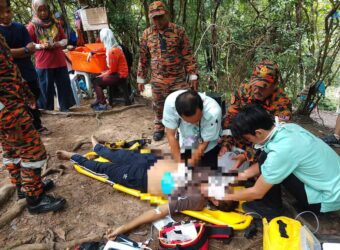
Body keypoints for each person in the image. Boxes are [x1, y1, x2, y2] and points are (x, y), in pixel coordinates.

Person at [56, 136, 238, 238]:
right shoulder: (212, 176)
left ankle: (73, 156)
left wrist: (125, 227)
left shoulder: (195, 200)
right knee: (118, 154)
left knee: (102, 168)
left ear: (214, 200)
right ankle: (97, 148)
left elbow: (160, 211)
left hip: (142, 178)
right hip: (152, 162)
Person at [222, 104, 340, 219]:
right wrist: (238, 176)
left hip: (327, 200)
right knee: (266, 157)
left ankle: (270, 208)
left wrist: (224, 196)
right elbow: (263, 162)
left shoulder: (281, 151)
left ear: (258, 132)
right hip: (336, 189)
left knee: (270, 165)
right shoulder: (288, 128)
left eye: (248, 138)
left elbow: (257, 192)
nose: (249, 143)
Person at [0, 0, 66, 214]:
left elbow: (8, 68)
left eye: (6, 9)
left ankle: (23, 187)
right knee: (31, 148)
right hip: (6, 107)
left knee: (12, 147)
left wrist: (25, 93)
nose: (4, 15)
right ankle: (35, 199)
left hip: (13, 99)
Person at [137, 1, 198, 141]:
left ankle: (181, 128)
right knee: (159, 104)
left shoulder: (179, 31)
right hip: (158, 78)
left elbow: (188, 55)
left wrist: (193, 76)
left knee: (183, 103)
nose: (157, 21)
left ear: (167, 14)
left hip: (178, 78)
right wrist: (141, 79)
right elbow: (143, 58)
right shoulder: (147, 34)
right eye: (154, 18)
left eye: (160, 17)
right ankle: (160, 126)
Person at [220, 59, 292, 167]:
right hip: (240, 140)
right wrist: (226, 143)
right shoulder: (243, 91)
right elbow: (230, 119)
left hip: (263, 147)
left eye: (263, 87)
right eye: (255, 85)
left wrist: (247, 156)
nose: (257, 90)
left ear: (275, 85)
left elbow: (276, 137)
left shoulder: (282, 103)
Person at [0, 2, 50, 135]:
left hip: (27, 68)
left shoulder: (20, 27)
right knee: (18, 99)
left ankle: (37, 125)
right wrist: (24, 50)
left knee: (34, 93)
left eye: (9, 11)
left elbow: (31, 47)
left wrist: (21, 51)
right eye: (4, 12)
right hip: (10, 73)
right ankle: (28, 128)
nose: (6, 14)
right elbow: (6, 53)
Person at [27, 0, 75, 112]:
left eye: (45, 10)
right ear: (35, 10)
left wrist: (57, 43)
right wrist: (41, 46)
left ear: (48, 9)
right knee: (45, 88)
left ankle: (65, 107)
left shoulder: (56, 23)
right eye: (40, 10)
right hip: (44, 63)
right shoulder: (32, 26)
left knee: (63, 85)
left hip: (59, 60)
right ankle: (47, 110)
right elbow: (29, 44)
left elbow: (65, 39)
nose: (43, 13)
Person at [163, 89, 222, 169]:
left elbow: (205, 142)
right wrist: (178, 161)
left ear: (202, 108)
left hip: (209, 141)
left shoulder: (213, 111)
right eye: (190, 122)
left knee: (209, 169)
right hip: (188, 138)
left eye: (197, 120)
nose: (194, 124)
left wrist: (194, 158)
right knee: (184, 165)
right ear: (179, 114)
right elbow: (171, 135)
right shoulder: (170, 104)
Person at [88, 28, 130, 111]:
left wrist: (102, 74)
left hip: (119, 75)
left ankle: (102, 104)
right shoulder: (114, 46)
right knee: (95, 78)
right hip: (119, 73)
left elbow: (112, 70)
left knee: (96, 81)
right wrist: (92, 52)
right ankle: (100, 99)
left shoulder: (113, 51)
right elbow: (103, 49)